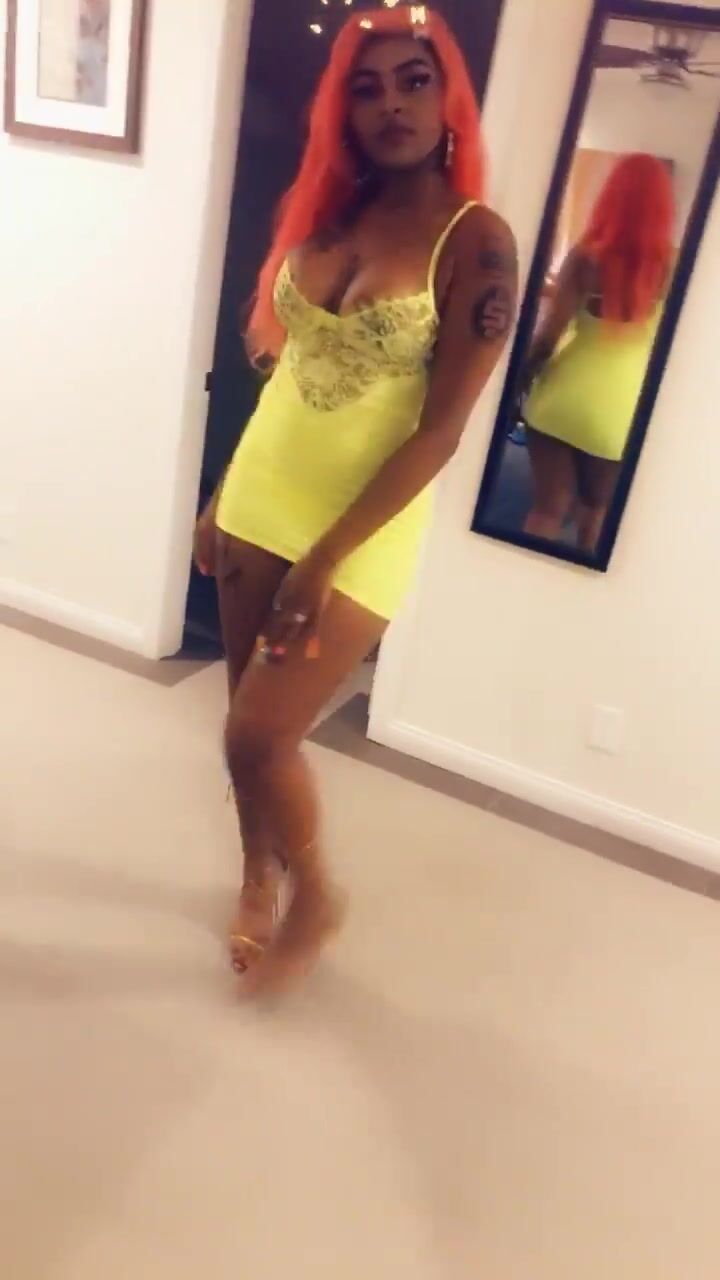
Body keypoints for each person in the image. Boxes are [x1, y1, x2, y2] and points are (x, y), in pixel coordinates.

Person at [193, 6, 517, 994]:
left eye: (414, 81)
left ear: (448, 97)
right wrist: (221, 495)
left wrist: (327, 556)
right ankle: (258, 875)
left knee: (261, 733)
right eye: (367, 88)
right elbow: (287, 379)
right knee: (246, 732)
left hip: (359, 529)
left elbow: (440, 432)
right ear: (343, 109)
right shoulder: (328, 214)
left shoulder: (478, 243)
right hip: (261, 494)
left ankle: (317, 894)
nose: (392, 105)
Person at [522, 153, 674, 550]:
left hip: (561, 398)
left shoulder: (585, 257)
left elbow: (547, 337)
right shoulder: (673, 266)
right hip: (621, 411)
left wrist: (517, 385)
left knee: (546, 511)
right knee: (595, 514)